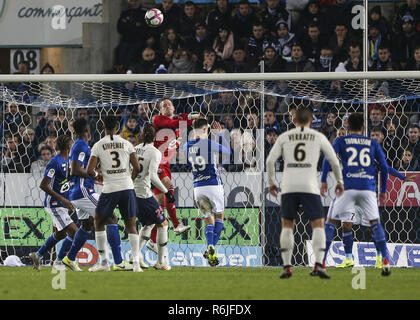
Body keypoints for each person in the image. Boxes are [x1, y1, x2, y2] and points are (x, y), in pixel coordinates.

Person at [266, 106, 344, 279]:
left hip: (289, 186)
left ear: (294, 121)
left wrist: (271, 183)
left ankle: (287, 266)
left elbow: (270, 161)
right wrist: (339, 181)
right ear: (310, 120)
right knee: (318, 224)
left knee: (287, 225)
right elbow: (334, 161)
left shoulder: (285, 137)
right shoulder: (318, 136)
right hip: (309, 185)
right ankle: (318, 264)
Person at [320, 112, 391, 276]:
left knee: (330, 221)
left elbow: (327, 159)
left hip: (348, 187)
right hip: (368, 188)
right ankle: (385, 259)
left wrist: (323, 180)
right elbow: (385, 168)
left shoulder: (341, 140)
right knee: (375, 223)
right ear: (364, 127)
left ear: (348, 127)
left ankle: (321, 262)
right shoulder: (372, 142)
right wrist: (384, 190)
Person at [87, 116, 141, 272]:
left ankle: (104, 262)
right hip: (127, 186)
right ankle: (136, 263)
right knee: (131, 224)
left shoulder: (98, 145)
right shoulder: (127, 144)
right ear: (117, 127)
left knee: (98, 220)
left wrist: (98, 175)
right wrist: (128, 180)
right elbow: (137, 168)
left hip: (110, 188)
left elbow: (90, 170)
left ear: (103, 127)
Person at [146, 98, 194, 253]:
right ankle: (176, 225)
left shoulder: (177, 124)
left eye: (169, 104)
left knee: (159, 205)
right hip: (157, 162)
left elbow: (186, 125)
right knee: (169, 188)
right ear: (160, 110)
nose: (167, 106)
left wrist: (190, 119)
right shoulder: (158, 119)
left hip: (166, 163)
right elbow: (175, 124)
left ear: (173, 107)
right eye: (163, 105)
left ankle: (152, 241)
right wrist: (188, 118)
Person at [183, 118, 231, 266]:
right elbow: (228, 151)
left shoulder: (186, 146)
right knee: (219, 217)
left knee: (207, 219)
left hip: (198, 187)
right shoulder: (209, 143)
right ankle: (211, 247)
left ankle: (210, 249)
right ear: (205, 129)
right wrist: (221, 135)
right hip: (213, 185)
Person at [29, 135, 78, 271]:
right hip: (55, 203)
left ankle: (38, 255)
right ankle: (60, 261)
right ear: (68, 146)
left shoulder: (69, 160)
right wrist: (63, 199)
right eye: (71, 143)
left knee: (61, 234)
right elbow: (43, 185)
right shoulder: (54, 162)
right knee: (75, 232)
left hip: (63, 202)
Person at [134, 124, 176, 270]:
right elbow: (152, 176)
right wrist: (167, 192)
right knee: (163, 224)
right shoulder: (155, 152)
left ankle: (136, 256)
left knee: (149, 224)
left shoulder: (135, 149)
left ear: (141, 134)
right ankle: (161, 262)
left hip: (132, 192)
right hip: (144, 194)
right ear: (155, 137)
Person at [62, 118, 100, 271]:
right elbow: (75, 169)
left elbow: (69, 172)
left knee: (87, 224)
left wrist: (93, 176)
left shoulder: (77, 145)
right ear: (87, 130)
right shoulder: (81, 145)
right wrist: (94, 174)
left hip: (77, 192)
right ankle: (113, 260)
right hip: (83, 192)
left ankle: (69, 258)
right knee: (108, 216)